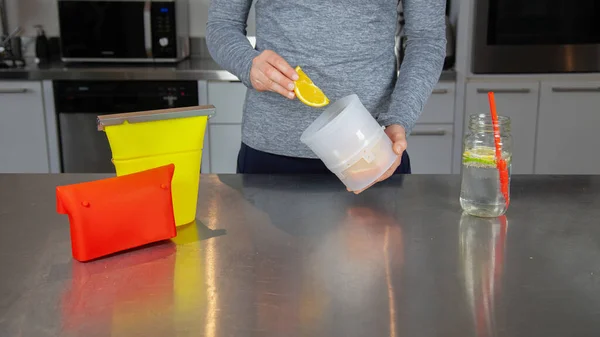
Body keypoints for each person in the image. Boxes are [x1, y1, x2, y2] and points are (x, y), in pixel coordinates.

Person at [206, 0, 446, 192]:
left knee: (375, 255)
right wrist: (249, 65)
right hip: (272, 152)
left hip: (370, 147)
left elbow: (427, 39)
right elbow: (221, 25)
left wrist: (399, 119)